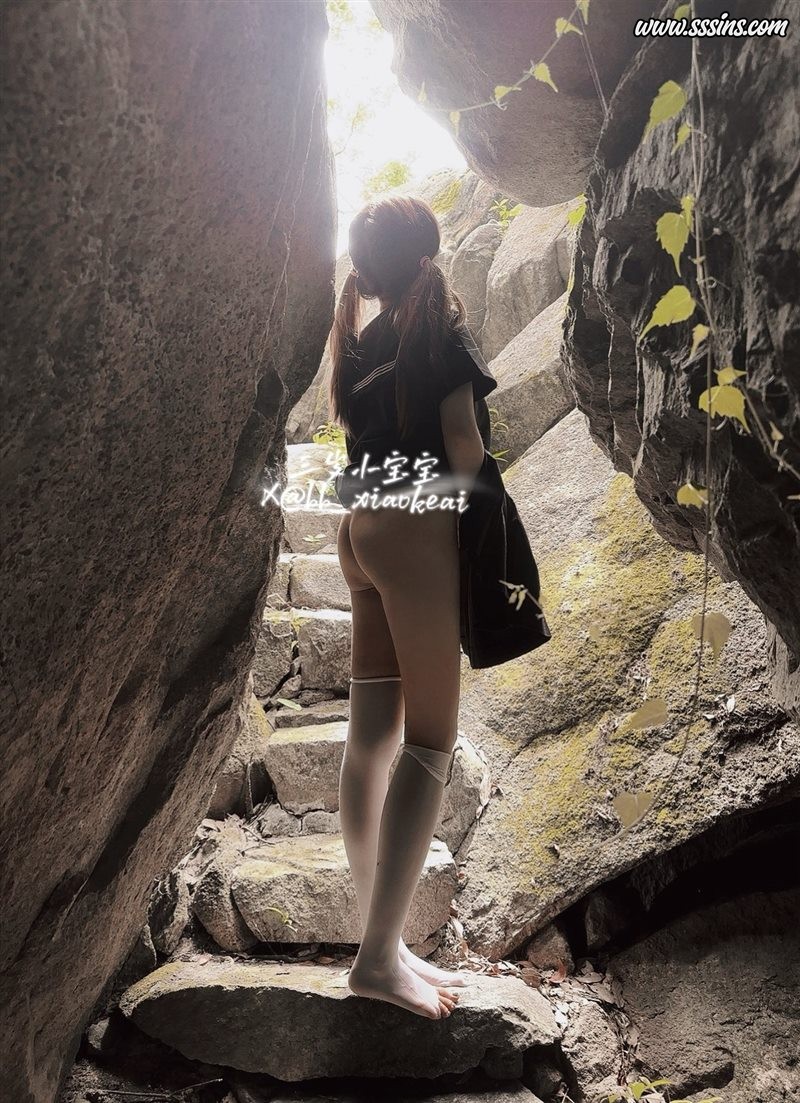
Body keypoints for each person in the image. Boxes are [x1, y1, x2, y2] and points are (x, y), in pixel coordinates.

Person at [326, 196, 498, 1020]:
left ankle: (383, 940)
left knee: (369, 743)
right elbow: (464, 446)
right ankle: (376, 959)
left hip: (359, 532)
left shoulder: (359, 341)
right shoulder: (438, 329)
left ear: (368, 272)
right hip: (414, 531)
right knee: (429, 743)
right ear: (426, 252)